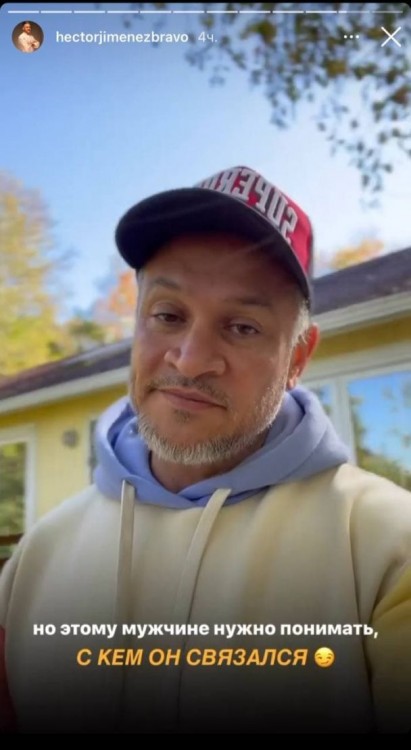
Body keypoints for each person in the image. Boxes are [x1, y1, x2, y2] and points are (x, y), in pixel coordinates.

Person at [0, 166, 410, 734]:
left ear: (297, 358)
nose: (191, 360)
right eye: (168, 315)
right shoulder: (36, 557)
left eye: (242, 327)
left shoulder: (388, 547)